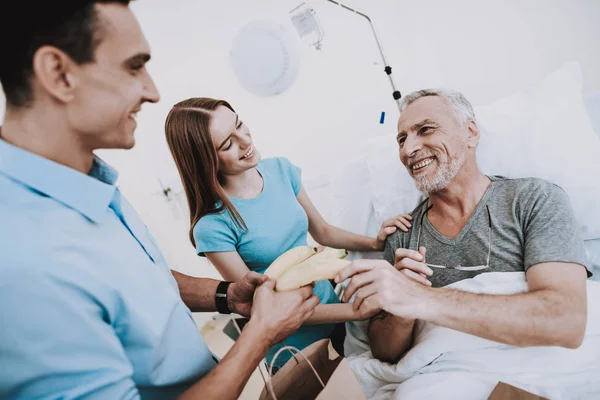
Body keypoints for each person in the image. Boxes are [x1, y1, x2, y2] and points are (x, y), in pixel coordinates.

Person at [0, 2, 320, 399]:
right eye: (134, 66)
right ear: (58, 74)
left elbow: (140, 282)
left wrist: (223, 295)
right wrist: (260, 335)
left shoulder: (87, 182)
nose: (151, 91)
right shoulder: (19, 259)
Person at [334, 88, 591, 364]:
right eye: (401, 140)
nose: (409, 149)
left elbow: (566, 321)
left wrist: (421, 298)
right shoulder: (403, 237)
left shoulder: (534, 200)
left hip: (541, 366)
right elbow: (385, 352)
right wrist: (402, 312)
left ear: (470, 133)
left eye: (425, 129)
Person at [164, 97, 413, 369]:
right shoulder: (212, 227)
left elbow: (323, 232)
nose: (245, 141)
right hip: (296, 348)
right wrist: (356, 310)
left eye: (240, 125)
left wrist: (375, 242)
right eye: (228, 143)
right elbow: (265, 308)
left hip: (338, 315)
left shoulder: (280, 170)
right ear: (204, 160)